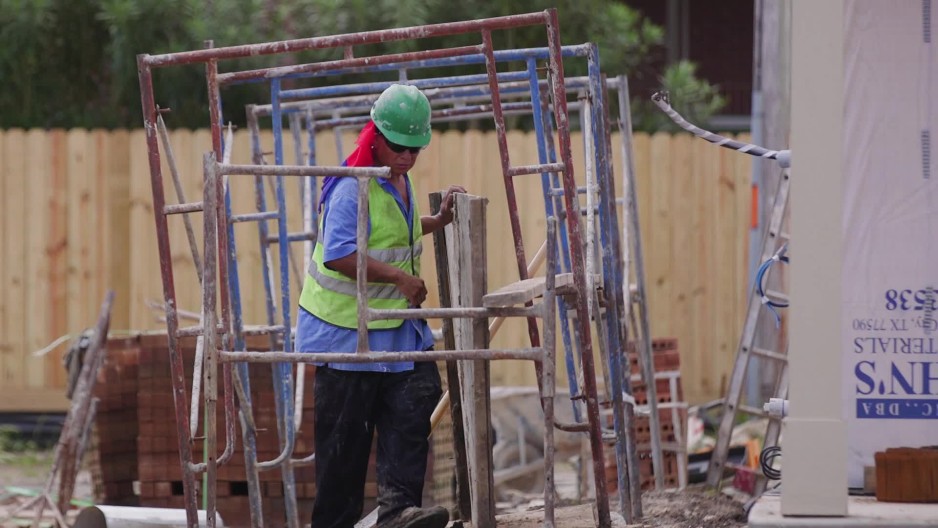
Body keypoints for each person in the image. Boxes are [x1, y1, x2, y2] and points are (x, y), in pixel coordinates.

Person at [296, 84, 465, 528]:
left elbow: (396, 237)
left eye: (415, 148)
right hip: (346, 336)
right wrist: (400, 278)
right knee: (343, 454)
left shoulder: (397, 179)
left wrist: (439, 220)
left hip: (395, 330)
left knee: (414, 411)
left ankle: (397, 513)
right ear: (375, 135)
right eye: (399, 146)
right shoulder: (354, 186)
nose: (408, 156)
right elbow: (338, 254)